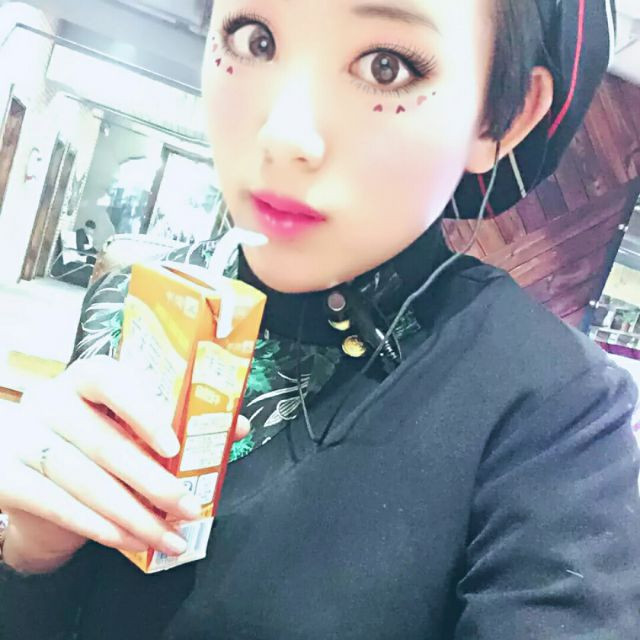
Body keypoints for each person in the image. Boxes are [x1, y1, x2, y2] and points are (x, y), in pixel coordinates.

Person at [1, 1, 638, 638]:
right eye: (254, 39)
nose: (284, 134)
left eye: (386, 67)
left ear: (503, 115)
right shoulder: (133, 298)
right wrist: (28, 554)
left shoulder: (556, 413)